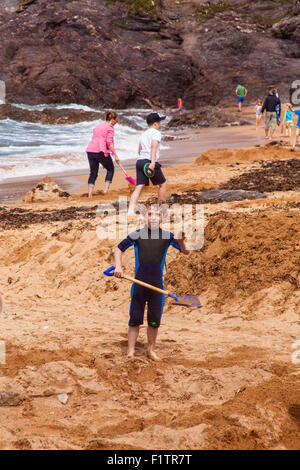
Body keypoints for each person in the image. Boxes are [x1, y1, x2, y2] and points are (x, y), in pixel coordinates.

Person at [114, 200, 189, 360]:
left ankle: (150, 349)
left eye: (157, 215)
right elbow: (118, 248)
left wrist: (182, 241)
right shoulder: (137, 234)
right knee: (135, 319)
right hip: (139, 285)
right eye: (150, 214)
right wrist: (118, 267)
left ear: (162, 219)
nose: (153, 217)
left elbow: (186, 252)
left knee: (154, 320)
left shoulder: (167, 236)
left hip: (157, 286)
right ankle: (131, 351)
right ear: (144, 216)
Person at [127, 113, 167, 216]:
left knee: (139, 186)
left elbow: (139, 151)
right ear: (155, 124)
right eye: (159, 122)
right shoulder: (156, 133)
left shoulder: (143, 134)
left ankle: (130, 210)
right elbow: (153, 147)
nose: (160, 124)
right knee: (162, 184)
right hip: (149, 162)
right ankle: (162, 208)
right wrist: (153, 163)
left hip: (140, 161)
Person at [86, 111, 120, 197]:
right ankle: (105, 191)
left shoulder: (99, 126)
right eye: (116, 120)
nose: (116, 123)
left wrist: (111, 152)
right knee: (110, 168)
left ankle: (90, 194)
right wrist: (116, 156)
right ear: (112, 120)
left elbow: (101, 139)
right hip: (100, 151)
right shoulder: (110, 127)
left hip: (90, 150)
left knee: (93, 172)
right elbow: (109, 142)